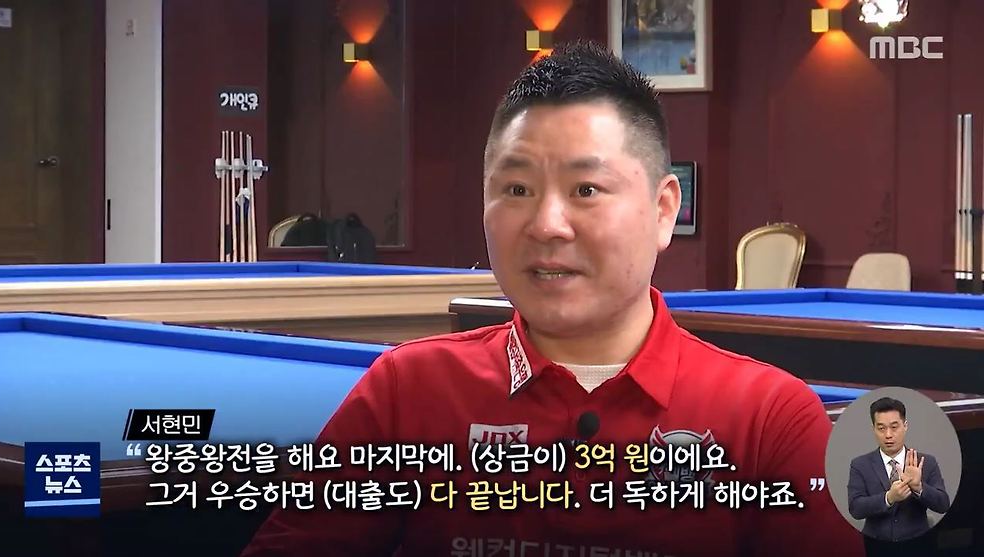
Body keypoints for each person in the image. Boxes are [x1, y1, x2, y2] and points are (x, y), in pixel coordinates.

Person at [242, 41, 863, 557]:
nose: (546, 225)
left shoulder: (770, 420)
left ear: (664, 210)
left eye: (586, 189)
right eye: (516, 189)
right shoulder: (408, 391)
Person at [847, 397, 950, 549]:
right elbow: (856, 508)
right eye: (881, 428)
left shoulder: (926, 462)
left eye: (894, 427)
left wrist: (919, 487)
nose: (888, 435)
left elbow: (943, 504)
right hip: (875, 546)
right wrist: (889, 498)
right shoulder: (860, 465)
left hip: (918, 545)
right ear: (873, 429)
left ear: (905, 426)